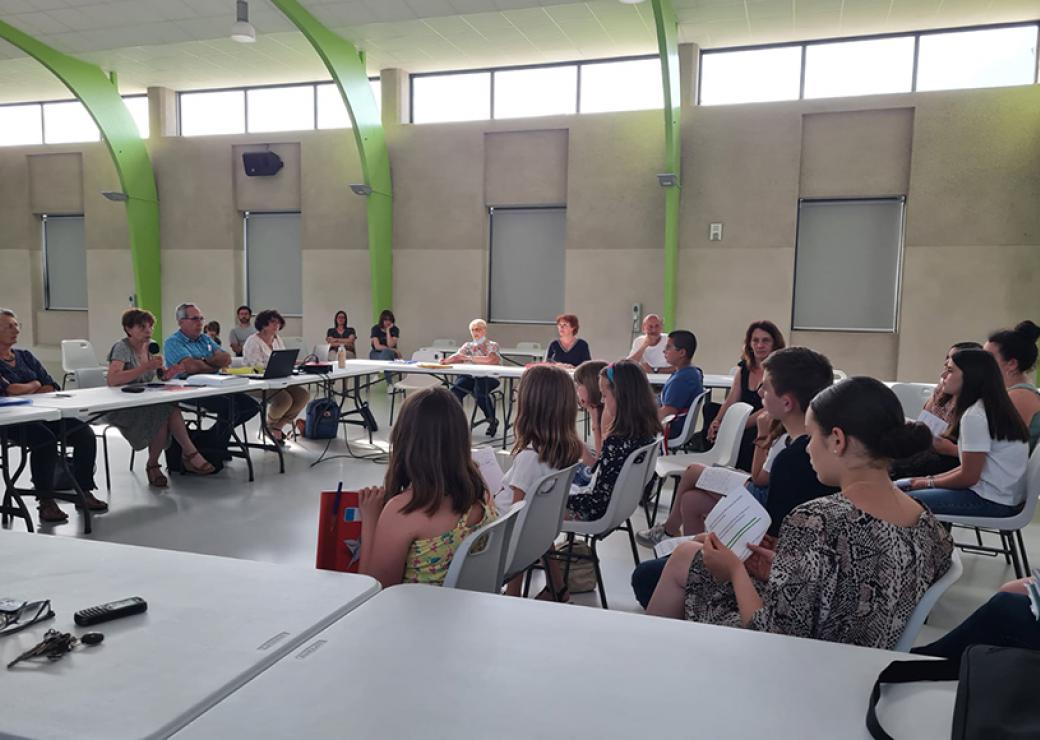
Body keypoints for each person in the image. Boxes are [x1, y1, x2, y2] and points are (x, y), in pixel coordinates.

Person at [647, 377, 954, 651]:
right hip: (864, 657)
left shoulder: (817, 520)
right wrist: (786, 565)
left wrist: (735, 571)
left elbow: (770, 634)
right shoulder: (926, 520)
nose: (807, 450)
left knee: (686, 555)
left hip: (803, 661)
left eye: (810, 438)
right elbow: (863, 582)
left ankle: (651, 658)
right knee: (691, 551)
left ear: (837, 440)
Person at [632, 348, 835, 606]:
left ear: (786, 402)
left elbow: (768, 539)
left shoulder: (796, 459)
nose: (760, 392)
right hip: (774, 556)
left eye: (767, 388)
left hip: (768, 570)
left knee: (647, 576)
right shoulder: (800, 446)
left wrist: (720, 548)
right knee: (688, 513)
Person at [357, 387, 496, 588]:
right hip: (468, 608)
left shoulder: (404, 510)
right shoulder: (480, 489)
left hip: (417, 615)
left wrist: (370, 520)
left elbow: (374, 590)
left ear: (404, 440)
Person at [899, 348, 1030, 518]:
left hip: (990, 501)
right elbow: (968, 469)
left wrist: (926, 482)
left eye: (951, 370)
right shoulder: (991, 407)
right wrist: (926, 480)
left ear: (970, 376)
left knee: (898, 499)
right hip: (1002, 497)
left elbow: (969, 477)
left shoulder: (974, 416)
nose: (943, 375)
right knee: (904, 487)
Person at [0, 308, 103, 523]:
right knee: (44, 440)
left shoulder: (25, 356)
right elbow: (9, 391)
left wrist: (31, 387)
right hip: (12, 420)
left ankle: (84, 490)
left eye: (17, 325)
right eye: (9, 326)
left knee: (83, 433)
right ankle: (45, 501)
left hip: (43, 414)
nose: (15, 330)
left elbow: (52, 385)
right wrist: (35, 384)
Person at [496, 365, 584, 597]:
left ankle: (512, 594)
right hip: (542, 530)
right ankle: (557, 587)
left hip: (500, 537)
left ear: (530, 406)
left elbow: (516, 523)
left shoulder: (529, 458)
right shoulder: (566, 449)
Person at [105, 308, 215, 487]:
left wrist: (170, 373)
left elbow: (159, 376)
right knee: (166, 410)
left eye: (150, 327)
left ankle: (157, 463)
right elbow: (113, 380)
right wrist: (145, 367)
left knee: (168, 408)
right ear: (128, 329)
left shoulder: (151, 346)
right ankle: (186, 455)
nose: (148, 331)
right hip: (122, 405)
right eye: (142, 327)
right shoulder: (122, 347)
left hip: (144, 400)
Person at [164, 302, 261, 468]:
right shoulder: (173, 342)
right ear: (181, 321)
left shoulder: (205, 339)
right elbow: (191, 367)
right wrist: (212, 363)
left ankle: (209, 443)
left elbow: (226, 359)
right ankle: (214, 447)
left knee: (251, 406)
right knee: (229, 407)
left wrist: (202, 362)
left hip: (217, 385)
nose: (200, 322)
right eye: (194, 319)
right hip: (190, 391)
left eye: (201, 318)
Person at [567, 360, 661, 522]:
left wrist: (561, 499)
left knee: (536, 504)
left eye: (604, 395)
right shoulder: (644, 432)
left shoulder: (618, 441)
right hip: (620, 508)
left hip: (598, 512)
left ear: (621, 395)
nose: (603, 401)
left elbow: (597, 500)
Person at [890, 341, 982, 480]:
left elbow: (981, 459)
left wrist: (950, 449)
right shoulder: (942, 391)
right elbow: (924, 421)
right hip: (927, 448)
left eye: (951, 370)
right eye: (946, 365)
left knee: (892, 468)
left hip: (948, 461)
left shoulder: (977, 410)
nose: (943, 374)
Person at [707, 320, 786, 471]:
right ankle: (716, 466)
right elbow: (731, 399)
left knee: (747, 435)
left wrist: (736, 425)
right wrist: (718, 421)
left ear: (774, 344)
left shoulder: (779, 370)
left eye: (765, 341)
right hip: (741, 419)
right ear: (749, 343)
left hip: (763, 422)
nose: (760, 345)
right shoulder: (743, 368)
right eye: (755, 340)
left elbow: (771, 408)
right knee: (710, 410)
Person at [242, 309, 309, 444]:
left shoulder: (277, 339)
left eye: (278, 322)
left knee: (303, 395)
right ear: (263, 324)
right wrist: (273, 367)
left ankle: (277, 426)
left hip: (278, 380)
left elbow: (282, 359)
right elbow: (255, 366)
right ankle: (268, 426)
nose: (277, 324)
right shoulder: (253, 341)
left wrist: (297, 363)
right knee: (284, 399)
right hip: (256, 382)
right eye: (273, 322)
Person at [985, 320, 1040, 450]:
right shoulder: (1015, 393)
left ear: (1012, 364)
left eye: (988, 358)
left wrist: (949, 448)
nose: (981, 362)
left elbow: (1002, 450)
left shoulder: (1020, 396)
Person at [445, 319, 502, 437]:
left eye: (478, 329)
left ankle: (491, 420)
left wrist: (469, 358)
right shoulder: (468, 345)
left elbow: (491, 360)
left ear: (484, 330)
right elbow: (457, 356)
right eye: (472, 330)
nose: (475, 332)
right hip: (471, 376)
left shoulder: (492, 345)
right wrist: (445, 361)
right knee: (454, 392)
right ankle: (457, 423)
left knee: (480, 392)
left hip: (489, 376)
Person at [657, 330, 704, 438]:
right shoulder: (690, 372)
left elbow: (668, 412)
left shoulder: (682, 379)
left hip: (670, 428)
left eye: (668, 347)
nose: (664, 351)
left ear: (682, 353)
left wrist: (640, 419)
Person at [574, 360, 611, 471]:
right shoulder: (600, 411)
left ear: (592, 387)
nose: (576, 390)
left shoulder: (607, 416)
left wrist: (580, 447)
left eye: (579, 384)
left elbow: (599, 466)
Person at [369, 309, 400, 388]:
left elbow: (390, 345)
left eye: (389, 320)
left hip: (390, 355)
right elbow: (377, 346)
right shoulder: (375, 328)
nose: (388, 322)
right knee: (385, 355)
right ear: (382, 320)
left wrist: (388, 331)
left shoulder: (395, 330)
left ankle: (379, 372)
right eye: (385, 320)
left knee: (386, 353)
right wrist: (393, 349)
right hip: (376, 353)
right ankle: (389, 384)